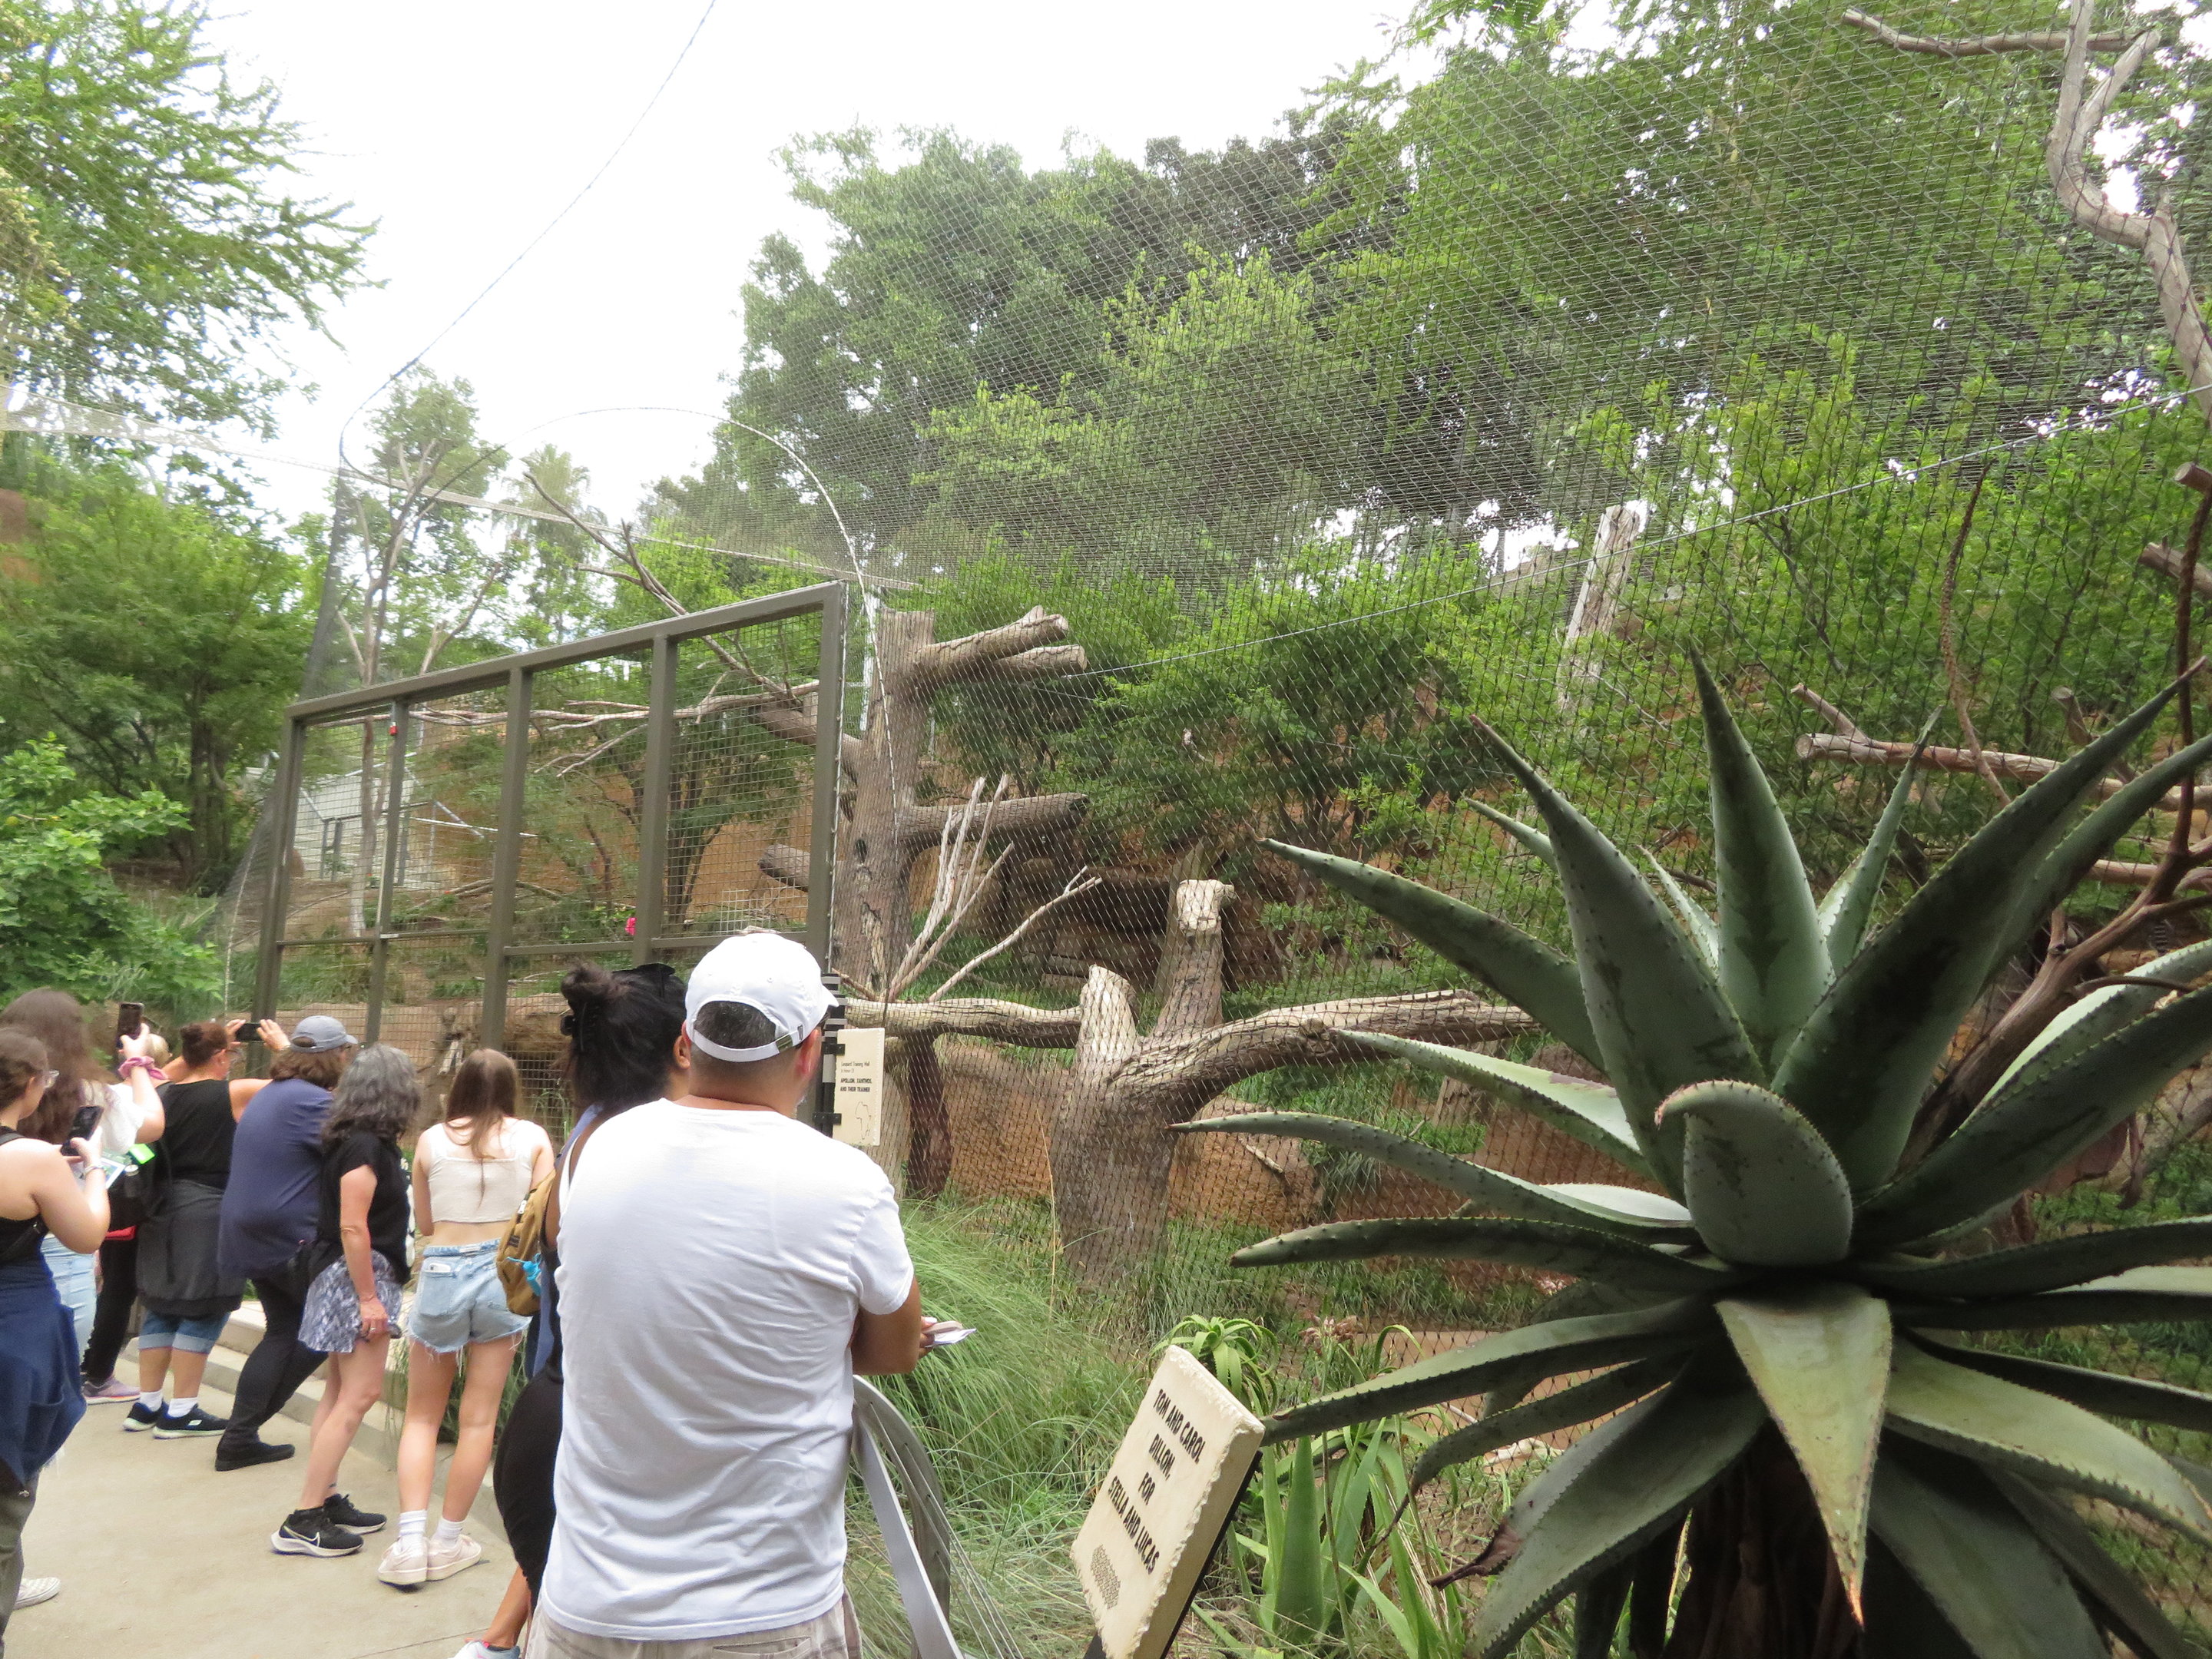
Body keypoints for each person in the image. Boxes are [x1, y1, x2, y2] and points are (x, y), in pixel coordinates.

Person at [535, 932, 926, 1657]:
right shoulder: (846, 1185)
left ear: (687, 1041)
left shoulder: (595, 1154)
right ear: (809, 1052)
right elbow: (897, 1350)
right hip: (760, 1614)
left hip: (587, 1606)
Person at [461, 962, 690, 1659]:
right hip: (582, 1432)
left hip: (553, 1417)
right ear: (682, 1046)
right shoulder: (645, 1151)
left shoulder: (592, 1130)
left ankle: (495, 1642)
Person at [378, 1048, 551, 1590]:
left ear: (459, 1087)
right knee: (479, 1418)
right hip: (501, 1274)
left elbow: (425, 1220)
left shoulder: (431, 1140)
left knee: (423, 1418)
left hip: (444, 1271)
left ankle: (410, 1544)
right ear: (510, 1089)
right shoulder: (533, 1139)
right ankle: (450, 1541)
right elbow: (541, 1214)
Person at [272, 1043, 416, 1559]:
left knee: (337, 1391)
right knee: (359, 1395)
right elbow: (353, 1225)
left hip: (344, 1274)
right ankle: (304, 1517)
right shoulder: (365, 1148)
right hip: (355, 1276)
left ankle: (326, 1498)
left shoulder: (356, 1140)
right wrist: (369, 1299)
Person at [0, 1027, 109, 1646]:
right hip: (13, 1332)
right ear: (34, 1085)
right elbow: (87, 1234)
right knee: (6, 1498)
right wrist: (91, 1173)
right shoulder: (31, 1159)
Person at [123, 1020, 277, 1437]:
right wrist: (280, 1048)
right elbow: (300, 1088)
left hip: (161, 1207)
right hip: (207, 1208)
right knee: (203, 1306)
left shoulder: (159, 1093)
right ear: (222, 1056)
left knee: (163, 1304)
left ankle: (147, 1405)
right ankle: (182, 1411)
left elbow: (162, 1074)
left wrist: (201, 1049)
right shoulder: (233, 1091)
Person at [214, 1015, 350, 1472]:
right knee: (315, 1335)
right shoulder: (313, 1103)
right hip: (286, 1235)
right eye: (345, 1053)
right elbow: (355, 1150)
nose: (349, 1060)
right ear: (332, 1056)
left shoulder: (271, 1094)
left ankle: (239, 1438)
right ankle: (241, 1434)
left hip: (250, 1229)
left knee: (282, 1330)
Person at [0, 992, 162, 1366]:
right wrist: (137, 1063)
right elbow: (151, 1125)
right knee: (50, 1373)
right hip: (57, 1244)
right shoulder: (90, 1093)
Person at [80, 1031, 176, 1402]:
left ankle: (87, 1369)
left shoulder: (104, 1092)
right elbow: (145, 1140)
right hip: (126, 1205)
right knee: (119, 1292)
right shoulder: (146, 1101)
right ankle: (98, 1375)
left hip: (98, 1198)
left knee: (105, 1289)